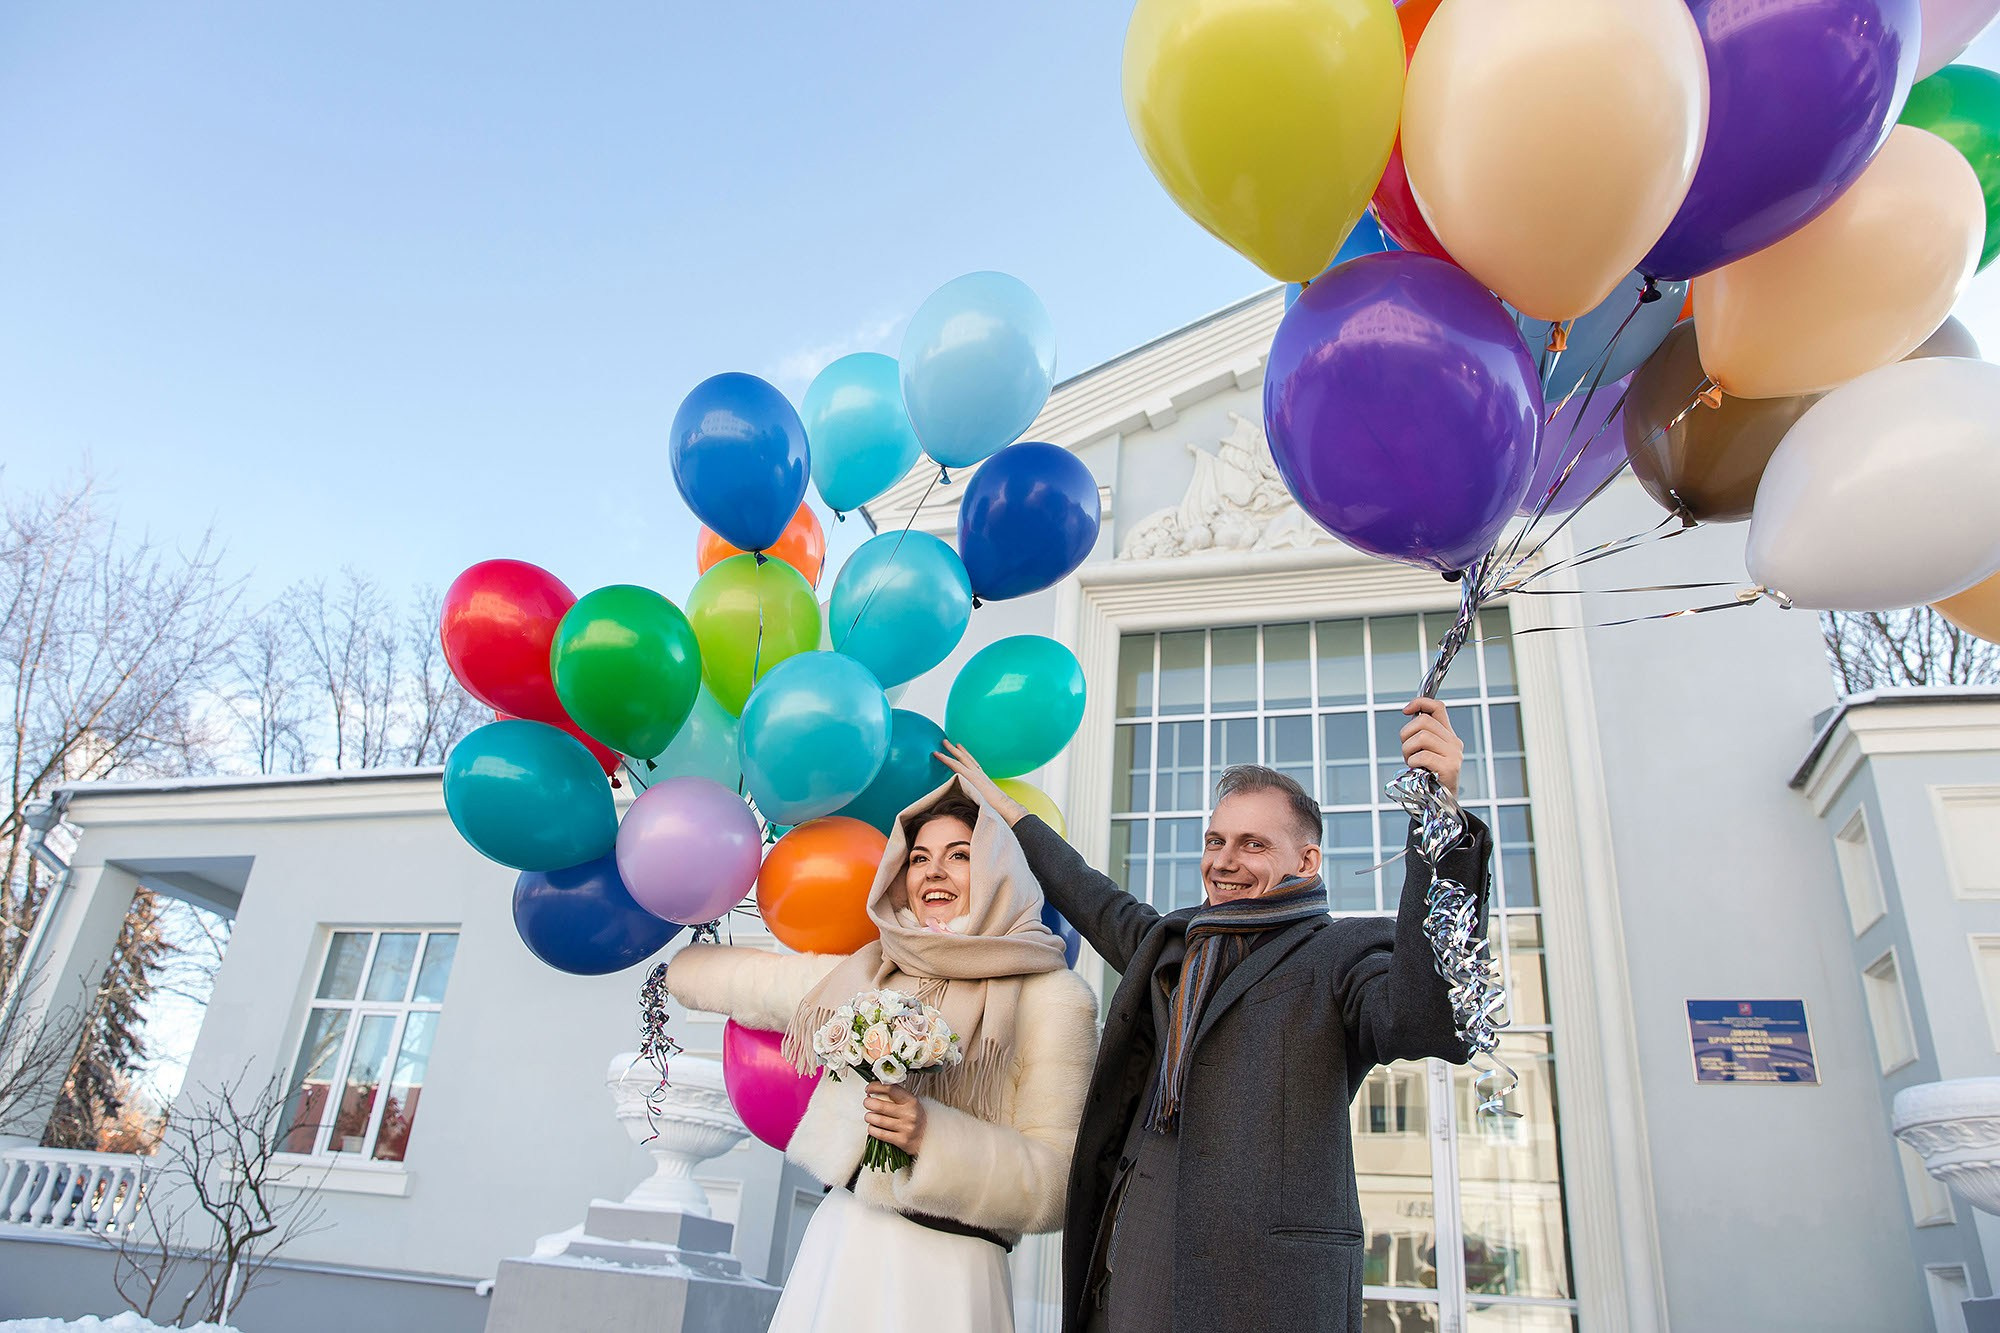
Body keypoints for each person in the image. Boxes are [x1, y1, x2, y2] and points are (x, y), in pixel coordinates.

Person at [936, 697, 1491, 1333]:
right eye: (1215, 841)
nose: (1223, 861)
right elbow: (1093, 897)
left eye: (1252, 844)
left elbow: (1425, 1020)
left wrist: (1442, 821)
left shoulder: (1344, 952)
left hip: (1261, 1293)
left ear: (1306, 861)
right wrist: (1010, 815)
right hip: (1130, 1271)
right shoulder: (1175, 945)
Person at [664, 779, 1100, 1333]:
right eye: (918, 858)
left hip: (953, 1269)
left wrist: (930, 1136)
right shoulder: (876, 968)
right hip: (846, 1242)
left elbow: (1055, 1186)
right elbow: (767, 984)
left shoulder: (1054, 999)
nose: (933, 872)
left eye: (960, 856)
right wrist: (679, 960)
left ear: (1000, 871)